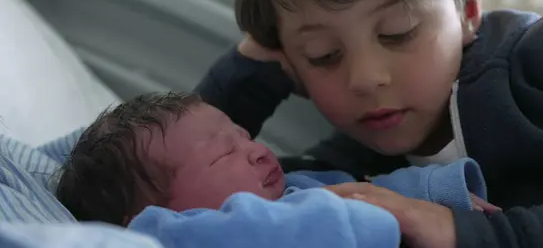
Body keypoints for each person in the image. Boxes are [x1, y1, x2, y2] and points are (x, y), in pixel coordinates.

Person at [193, 0, 543, 247]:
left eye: (398, 31)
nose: (367, 79)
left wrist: (466, 233)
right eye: (324, 55)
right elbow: (177, 183)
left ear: (469, 10)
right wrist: (248, 74)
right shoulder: (349, 169)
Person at [55, 92, 494, 248]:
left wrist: (439, 192)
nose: (256, 150)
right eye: (223, 154)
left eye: (243, 136)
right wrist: (373, 210)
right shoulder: (170, 232)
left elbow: (371, 190)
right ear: (144, 215)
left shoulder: (294, 188)